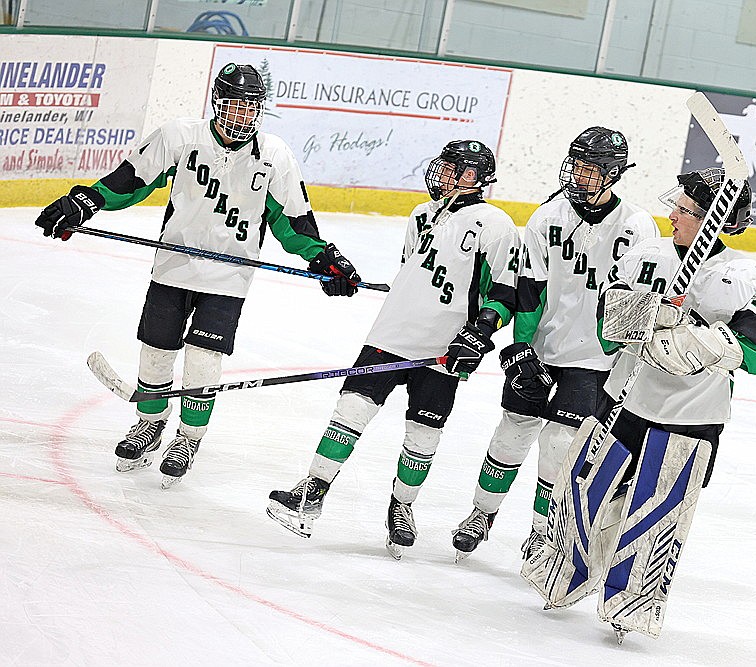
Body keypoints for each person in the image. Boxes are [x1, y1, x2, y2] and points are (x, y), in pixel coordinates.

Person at [33, 63, 361, 488]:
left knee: (204, 362)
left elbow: (292, 221)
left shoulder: (275, 156)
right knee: (156, 351)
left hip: (227, 279)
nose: (242, 117)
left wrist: (324, 258)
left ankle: (188, 438)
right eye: (234, 106)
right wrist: (85, 201)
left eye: (251, 109)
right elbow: (132, 179)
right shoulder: (181, 136)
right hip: (173, 268)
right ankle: (149, 424)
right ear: (217, 104)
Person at [522, 167, 756, 641]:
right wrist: (648, 316)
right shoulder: (647, 255)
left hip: (690, 418)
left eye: (685, 210)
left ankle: (633, 605)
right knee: (583, 492)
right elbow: (606, 328)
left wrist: (703, 342)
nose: (673, 214)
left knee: (656, 515)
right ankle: (560, 574)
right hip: (622, 400)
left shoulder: (738, 275)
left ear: (713, 220)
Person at [267, 139, 520, 559]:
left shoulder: (496, 225)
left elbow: (504, 294)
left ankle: (402, 507)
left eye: (457, 169)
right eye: (445, 165)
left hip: (443, 348)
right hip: (389, 335)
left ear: (477, 178)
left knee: (423, 434)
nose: (445, 174)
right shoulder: (420, 214)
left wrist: (477, 334)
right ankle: (312, 489)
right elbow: (412, 273)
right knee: (350, 411)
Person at [449, 127, 660, 562]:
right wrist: (521, 347)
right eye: (575, 164)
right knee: (512, 430)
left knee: (560, 447)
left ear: (613, 172)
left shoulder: (638, 226)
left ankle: (542, 534)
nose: (577, 175)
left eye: (588, 168)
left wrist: (615, 357)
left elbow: (633, 305)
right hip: (542, 348)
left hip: (593, 360)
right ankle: (480, 514)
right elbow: (529, 289)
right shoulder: (549, 216)